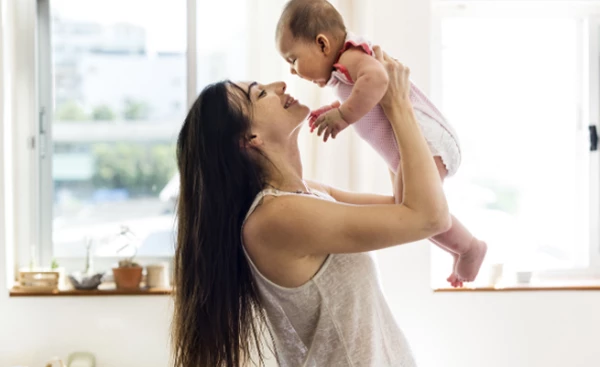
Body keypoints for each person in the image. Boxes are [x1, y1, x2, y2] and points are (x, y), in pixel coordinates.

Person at [172, 46, 448, 367]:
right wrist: (399, 104)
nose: (280, 85)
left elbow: (406, 203)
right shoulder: (276, 217)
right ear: (250, 138)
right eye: (260, 94)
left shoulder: (306, 195)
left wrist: (381, 115)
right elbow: (428, 217)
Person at [276, 0, 486, 287]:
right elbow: (369, 100)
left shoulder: (349, 58)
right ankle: (461, 248)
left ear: (323, 44)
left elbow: (378, 78)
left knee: (416, 212)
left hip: (424, 137)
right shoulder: (344, 69)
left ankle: (470, 248)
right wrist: (339, 108)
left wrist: (344, 114)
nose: (292, 71)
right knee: (409, 211)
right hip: (408, 146)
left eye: (292, 59)